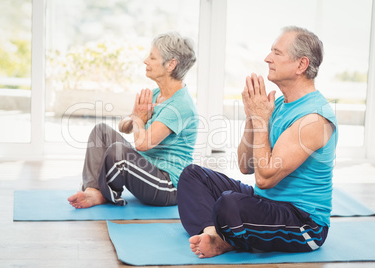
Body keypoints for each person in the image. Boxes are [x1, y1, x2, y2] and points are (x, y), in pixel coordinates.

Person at [177, 26, 338, 258]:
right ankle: (215, 235)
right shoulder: (280, 105)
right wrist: (253, 118)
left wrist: (261, 119)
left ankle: (226, 237)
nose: (267, 58)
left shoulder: (314, 118)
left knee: (229, 204)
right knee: (192, 175)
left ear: (301, 65)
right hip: (265, 203)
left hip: (304, 223)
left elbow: (264, 179)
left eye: (277, 53)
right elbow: (246, 166)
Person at [68, 31, 198, 208]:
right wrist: (136, 118)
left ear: (171, 65)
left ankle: (106, 194)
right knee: (101, 132)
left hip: (168, 186)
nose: (146, 61)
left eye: (152, 57)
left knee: (119, 152)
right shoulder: (156, 94)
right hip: (146, 170)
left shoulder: (180, 105)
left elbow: (142, 144)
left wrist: (139, 118)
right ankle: (93, 190)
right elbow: (124, 127)